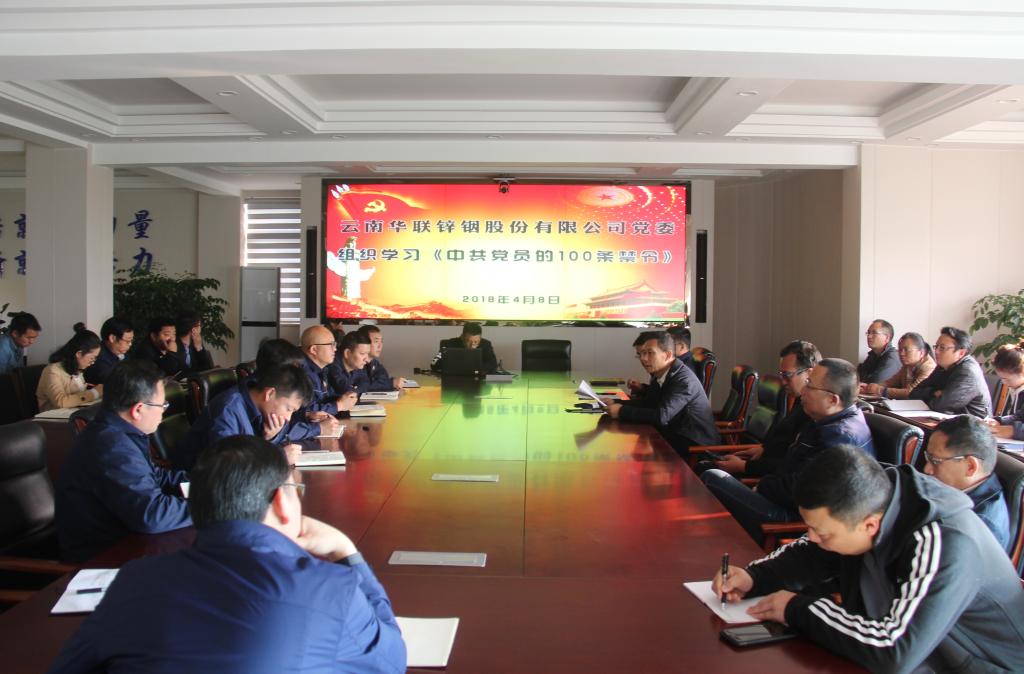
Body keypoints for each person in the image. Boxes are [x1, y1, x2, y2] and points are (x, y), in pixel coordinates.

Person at [47, 435, 406, 673]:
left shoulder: (135, 580)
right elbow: (391, 661)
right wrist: (346, 551)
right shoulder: (331, 587)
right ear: (281, 502)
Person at [712, 445, 1024, 674]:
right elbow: (812, 551)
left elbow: (895, 651)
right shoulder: (874, 498)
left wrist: (797, 608)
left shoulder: (943, 541)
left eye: (822, 532)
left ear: (870, 525)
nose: (812, 537)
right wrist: (755, 577)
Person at [702, 358, 874, 544]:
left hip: (792, 519)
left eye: (810, 386)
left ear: (833, 400)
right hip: (781, 499)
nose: (803, 391)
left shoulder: (841, 438)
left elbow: (805, 493)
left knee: (713, 478)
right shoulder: (823, 421)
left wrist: (762, 486)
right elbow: (790, 468)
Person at [55, 361, 191, 562]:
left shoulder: (119, 431)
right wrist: (215, 506)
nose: (163, 411)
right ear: (138, 409)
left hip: (130, 541)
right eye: (163, 405)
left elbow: (155, 476)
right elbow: (152, 515)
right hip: (102, 559)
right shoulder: (111, 446)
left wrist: (207, 483)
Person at [696, 340, 820, 478]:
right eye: (781, 374)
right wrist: (763, 449)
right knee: (704, 466)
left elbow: (787, 465)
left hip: (764, 476)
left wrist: (743, 466)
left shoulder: (814, 413)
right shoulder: (799, 399)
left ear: (809, 373)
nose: (783, 381)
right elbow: (782, 441)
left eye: (787, 375)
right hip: (760, 463)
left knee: (705, 472)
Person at [604, 331, 719, 455]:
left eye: (650, 353)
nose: (643, 358)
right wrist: (615, 402)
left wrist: (621, 411)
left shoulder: (683, 380)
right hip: (672, 434)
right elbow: (648, 403)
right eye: (641, 354)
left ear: (668, 355)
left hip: (694, 445)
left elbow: (662, 416)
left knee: (626, 450)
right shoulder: (660, 373)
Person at [175, 364, 309, 471]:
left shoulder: (261, 408)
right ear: (269, 394)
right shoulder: (228, 411)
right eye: (289, 409)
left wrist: (268, 438)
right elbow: (231, 467)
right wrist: (278, 457)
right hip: (200, 484)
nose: (288, 418)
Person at [924, 415, 1010, 550]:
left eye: (935, 461)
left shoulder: (982, 526)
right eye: (928, 457)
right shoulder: (950, 488)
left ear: (970, 467)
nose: (927, 469)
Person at [252, 337, 341, 442]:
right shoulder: (253, 400)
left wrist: (305, 415)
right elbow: (283, 431)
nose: (298, 374)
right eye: (293, 370)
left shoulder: (265, 392)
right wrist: (318, 428)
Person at [909, 326, 991, 417]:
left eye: (942, 348)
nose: (936, 351)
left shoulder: (968, 372)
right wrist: (933, 392)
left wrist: (935, 396)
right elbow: (914, 393)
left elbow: (940, 406)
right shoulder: (943, 366)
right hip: (945, 419)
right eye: (936, 347)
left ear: (961, 353)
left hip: (971, 424)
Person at [36, 324, 103, 412]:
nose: (93, 362)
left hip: (74, 413)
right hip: (53, 417)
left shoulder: (77, 369)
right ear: (79, 354)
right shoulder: (52, 371)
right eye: (92, 358)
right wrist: (95, 392)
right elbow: (61, 402)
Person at [299, 325, 359, 414]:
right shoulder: (301, 373)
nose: (335, 349)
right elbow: (306, 412)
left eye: (335, 344)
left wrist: (346, 398)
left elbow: (326, 398)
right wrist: (339, 405)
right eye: (331, 345)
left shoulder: (322, 369)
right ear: (314, 349)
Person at [859, 331, 935, 399]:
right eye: (900, 349)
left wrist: (880, 390)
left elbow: (912, 393)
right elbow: (890, 382)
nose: (901, 354)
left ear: (921, 353)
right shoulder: (907, 365)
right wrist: (868, 387)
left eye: (906, 350)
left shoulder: (929, 367)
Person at [987, 341, 1024, 439]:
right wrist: (999, 421)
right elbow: (1020, 416)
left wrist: (1014, 430)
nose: (1003, 383)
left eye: (1007, 379)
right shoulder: (1017, 390)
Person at [431, 322, 499, 374]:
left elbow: (493, 364)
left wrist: (477, 370)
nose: (472, 345)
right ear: (462, 337)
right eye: (469, 341)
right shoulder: (448, 344)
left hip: (477, 380)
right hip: (453, 380)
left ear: (480, 338)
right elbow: (434, 363)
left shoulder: (486, 344)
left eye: (476, 342)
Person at [84, 317, 134, 386]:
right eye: (127, 341)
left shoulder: (124, 354)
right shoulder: (98, 358)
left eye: (131, 340)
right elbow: (117, 382)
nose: (130, 344)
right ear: (112, 338)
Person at [358, 324, 407, 391]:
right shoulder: (356, 363)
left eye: (381, 341)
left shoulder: (374, 362)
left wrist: (393, 382)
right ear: (364, 343)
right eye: (376, 341)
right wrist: (391, 383)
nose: (380, 346)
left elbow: (384, 379)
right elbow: (360, 386)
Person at [328, 330, 372, 397]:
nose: (366, 359)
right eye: (362, 354)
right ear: (347, 353)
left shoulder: (356, 365)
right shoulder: (332, 365)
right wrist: (355, 389)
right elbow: (344, 389)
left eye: (367, 354)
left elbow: (365, 383)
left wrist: (354, 389)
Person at [857, 319, 901, 384]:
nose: (869, 336)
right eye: (868, 333)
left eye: (874, 333)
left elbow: (876, 382)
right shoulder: (873, 354)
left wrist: (865, 379)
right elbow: (857, 376)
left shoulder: (892, 358)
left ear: (887, 338)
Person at [175, 310, 214, 374]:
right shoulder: (174, 345)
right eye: (199, 325)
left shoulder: (196, 342)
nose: (200, 328)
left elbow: (208, 369)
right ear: (194, 330)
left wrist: (199, 348)